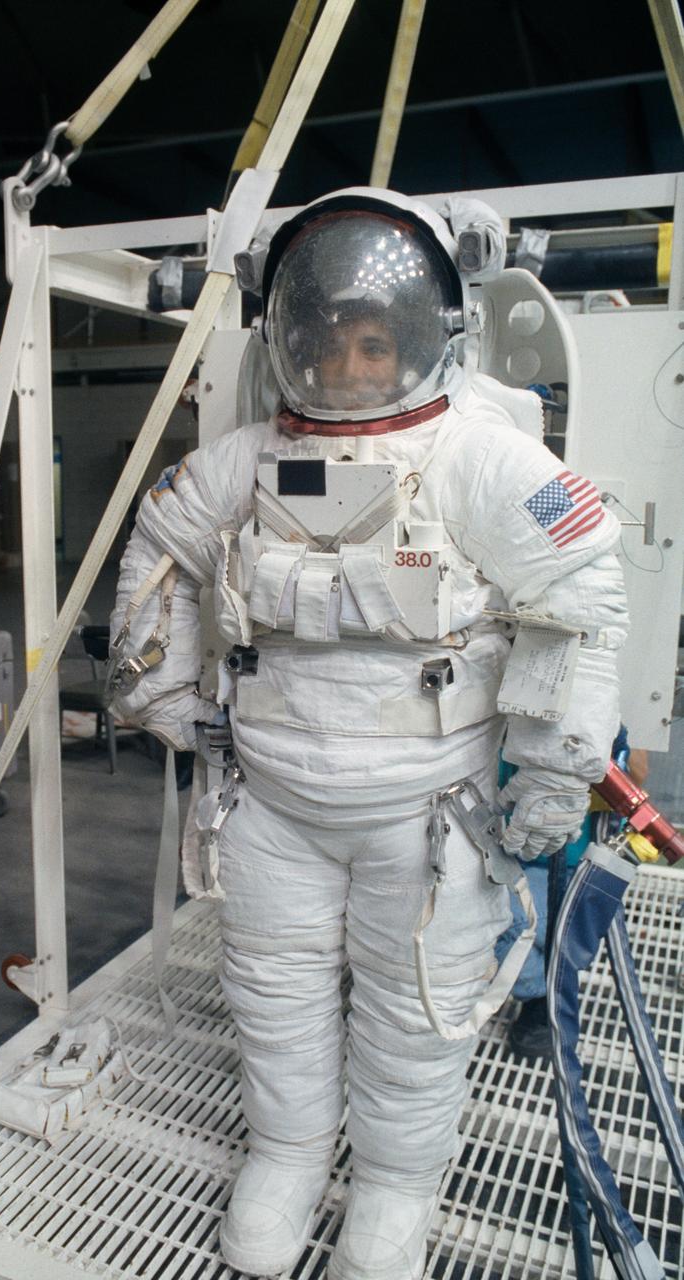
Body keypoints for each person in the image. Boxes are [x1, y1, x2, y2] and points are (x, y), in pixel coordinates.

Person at [109, 188, 629, 1280]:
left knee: (414, 1009)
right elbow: (157, 560)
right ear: (286, 342)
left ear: (429, 340)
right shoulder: (251, 460)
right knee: (273, 986)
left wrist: (551, 772)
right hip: (272, 803)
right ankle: (288, 1152)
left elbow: (580, 599)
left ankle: (394, 1184)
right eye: (325, 341)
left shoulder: (478, 459)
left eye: (372, 340)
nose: (348, 365)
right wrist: (170, 708)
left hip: (426, 812)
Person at [500, 729, 649, 1059]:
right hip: (508, 853)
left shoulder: (603, 723)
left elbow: (635, 782)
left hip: (569, 866)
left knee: (508, 922)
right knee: (489, 919)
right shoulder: (505, 717)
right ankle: (545, 984)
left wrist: (616, 733)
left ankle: (545, 992)